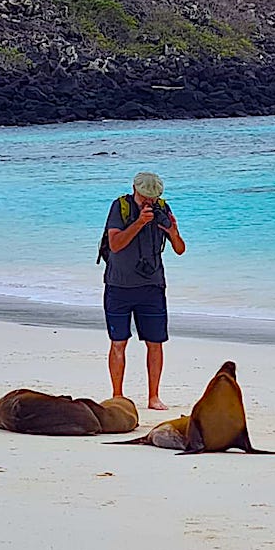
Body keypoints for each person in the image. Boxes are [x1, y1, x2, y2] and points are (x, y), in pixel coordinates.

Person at [102, 171, 185, 410]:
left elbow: (180, 249)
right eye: (145, 196)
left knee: (155, 343)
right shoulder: (121, 207)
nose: (149, 201)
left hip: (152, 286)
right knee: (118, 342)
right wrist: (139, 222)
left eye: (153, 196)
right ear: (134, 189)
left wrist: (172, 232)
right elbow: (115, 244)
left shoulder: (162, 208)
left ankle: (154, 397)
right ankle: (117, 396)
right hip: (119, 285)